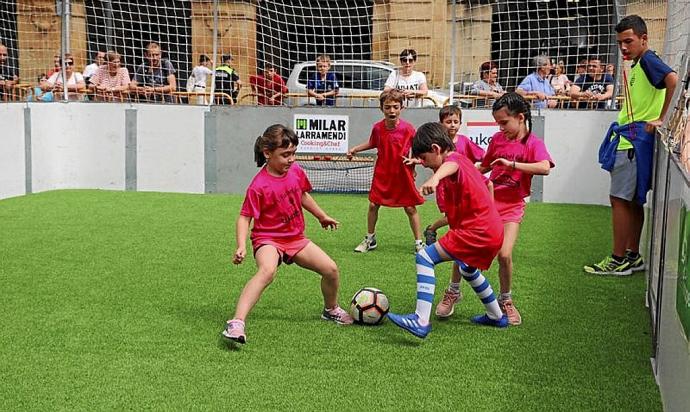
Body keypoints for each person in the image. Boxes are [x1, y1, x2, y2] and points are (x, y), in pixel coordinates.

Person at [221, 124, 353, 344]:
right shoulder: (258, 186)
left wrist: (322, 216)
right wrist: (241, 245)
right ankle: (236, 323)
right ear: (267, 153)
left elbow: (302, 195)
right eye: (285, 155)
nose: (291, 159)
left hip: (295, 239)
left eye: (293, 153)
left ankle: (330, 309)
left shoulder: (296, 171)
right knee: (267, 271)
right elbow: (245, 217)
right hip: (267, 238)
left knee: (331, 269)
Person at [387, 122, 508, 339]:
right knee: (467, 270)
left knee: (424, 257)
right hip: (492, 229)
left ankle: (420, 320)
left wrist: (435, 178)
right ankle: (496, 316)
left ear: (436, 149)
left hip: (476, 232)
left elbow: (450, 166)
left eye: (424, 158)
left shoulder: (454, 161)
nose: (423, 164)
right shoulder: (463, 161)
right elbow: (488, 185)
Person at [584, 15, 678, 276]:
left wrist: (663, 118)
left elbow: (674, 80)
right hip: (633, 139)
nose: (624, 47)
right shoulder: (639, 63)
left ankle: (617, 258)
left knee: (619, 200)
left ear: (644, 39)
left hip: (633, 142)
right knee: (633, 201)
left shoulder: (648, 59)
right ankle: (633, 256)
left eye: (629, 41)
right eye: (620, 43)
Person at [478, 92, 555, 325]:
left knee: (504, 254)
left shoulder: (533, 144)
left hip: (512, 207)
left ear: (520, 117)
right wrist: (455, 172)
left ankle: (506, 300)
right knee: (464, 248)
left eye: (504, 122)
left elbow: (544, 168)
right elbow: (483, 166)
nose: (500, 128)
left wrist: (511, 164)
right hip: (488, 203)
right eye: (497, 123)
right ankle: (452, 292)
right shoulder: (497, 140)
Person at [421, 105, 492, 319]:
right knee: (461, 254)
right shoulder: (437, 150)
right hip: (448, 197)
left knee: (455, 250)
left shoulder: (460, 149)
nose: (452, 125)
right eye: (448, 121)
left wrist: (475, 174)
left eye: (455, 121)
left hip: (467, 203)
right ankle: (495, 313)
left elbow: (477, 162)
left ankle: (451, 292)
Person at [347, 89, 425, 253]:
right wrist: (355, 149)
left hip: (403, 174)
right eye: (388, 107)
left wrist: (415, 163)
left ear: (401, 108)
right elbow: (373, 143)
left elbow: (417, 149)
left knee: (410, 208)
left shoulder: (408, 129)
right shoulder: (377, 128)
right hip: (383, 173)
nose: (392, 111)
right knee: (373, 205)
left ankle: (419, 243)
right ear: (381, 108)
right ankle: (370, 238)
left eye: (395, 107)